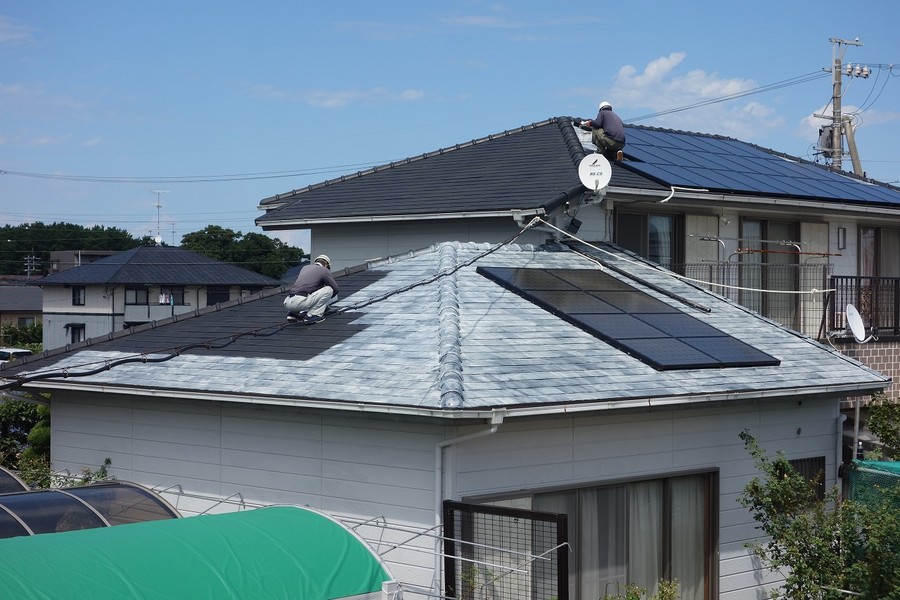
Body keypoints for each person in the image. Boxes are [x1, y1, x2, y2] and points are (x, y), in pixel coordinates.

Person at [284, 254, 339, 324]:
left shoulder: (305, 268)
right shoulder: (324, 270)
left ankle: (293, 314)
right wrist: (326, 301)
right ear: (326, 265)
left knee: (305, 294)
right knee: (329, 289)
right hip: (300, 302)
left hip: (288, 302)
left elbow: (309, 288)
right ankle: (313, 315)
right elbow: (335, 289)